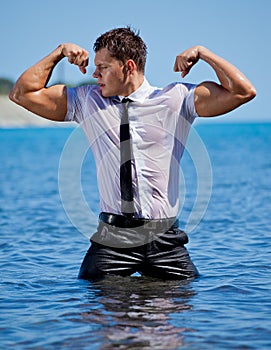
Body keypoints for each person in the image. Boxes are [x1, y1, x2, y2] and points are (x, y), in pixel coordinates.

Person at [10, 27, 256, 281]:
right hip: (113, 238)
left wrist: (204, 53)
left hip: (164, 239)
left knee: (182, 311)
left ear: (128, 66)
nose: (95, 74)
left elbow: (243, 91)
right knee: (96, 308)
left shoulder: (176, 99)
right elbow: (22, 94)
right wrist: (59, 52)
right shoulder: (87, 101)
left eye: (103, 67)